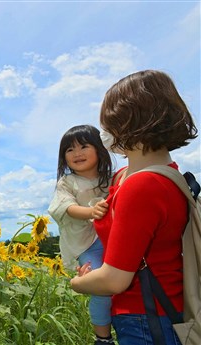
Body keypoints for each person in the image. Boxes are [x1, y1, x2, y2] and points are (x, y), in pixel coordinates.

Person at [70, 70, 198, 345]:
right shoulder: (155, 174)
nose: (105, 134)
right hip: (157, 311)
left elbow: (114, 280)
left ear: (127, 122)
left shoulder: (143, 186)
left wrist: (77, 283)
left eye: (109, 125)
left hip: (147, 319)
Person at [48, 124, 114, 345]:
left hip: (114, 240)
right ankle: (103, 338)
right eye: (69, 149)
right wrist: (91, 211)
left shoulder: (111, 178)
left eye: (84, 146)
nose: (77, 153)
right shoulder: (67, 182)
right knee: (100, 286)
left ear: (99, 149)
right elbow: (66, 207)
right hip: (87, 244)